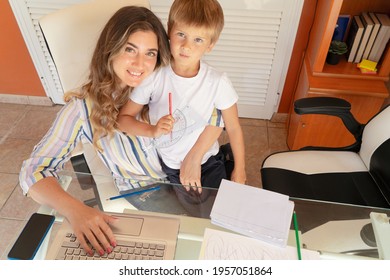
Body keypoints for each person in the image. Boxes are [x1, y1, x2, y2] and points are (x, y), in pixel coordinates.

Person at [19, 6, 172, 257]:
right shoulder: (82, 109)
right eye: (130, 49)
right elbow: (33, 171)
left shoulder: (169, 87)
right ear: (110, 49)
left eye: (150, 53)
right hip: (150, 197)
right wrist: (74, 209)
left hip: (194, 182)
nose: (140, 64)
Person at [118, 0, 246, 190]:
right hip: (171, 166)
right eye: (181, 34)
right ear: (169, 30)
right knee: (190, 214)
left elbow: (233, 128)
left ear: (210, 44)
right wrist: (153, 130)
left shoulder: (218, 82)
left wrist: (240, 169)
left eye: (198, 40)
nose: (186, 46)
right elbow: (123, 119)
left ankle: (226, 164)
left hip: (208, 161)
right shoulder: (154, 76)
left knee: (219, 211)